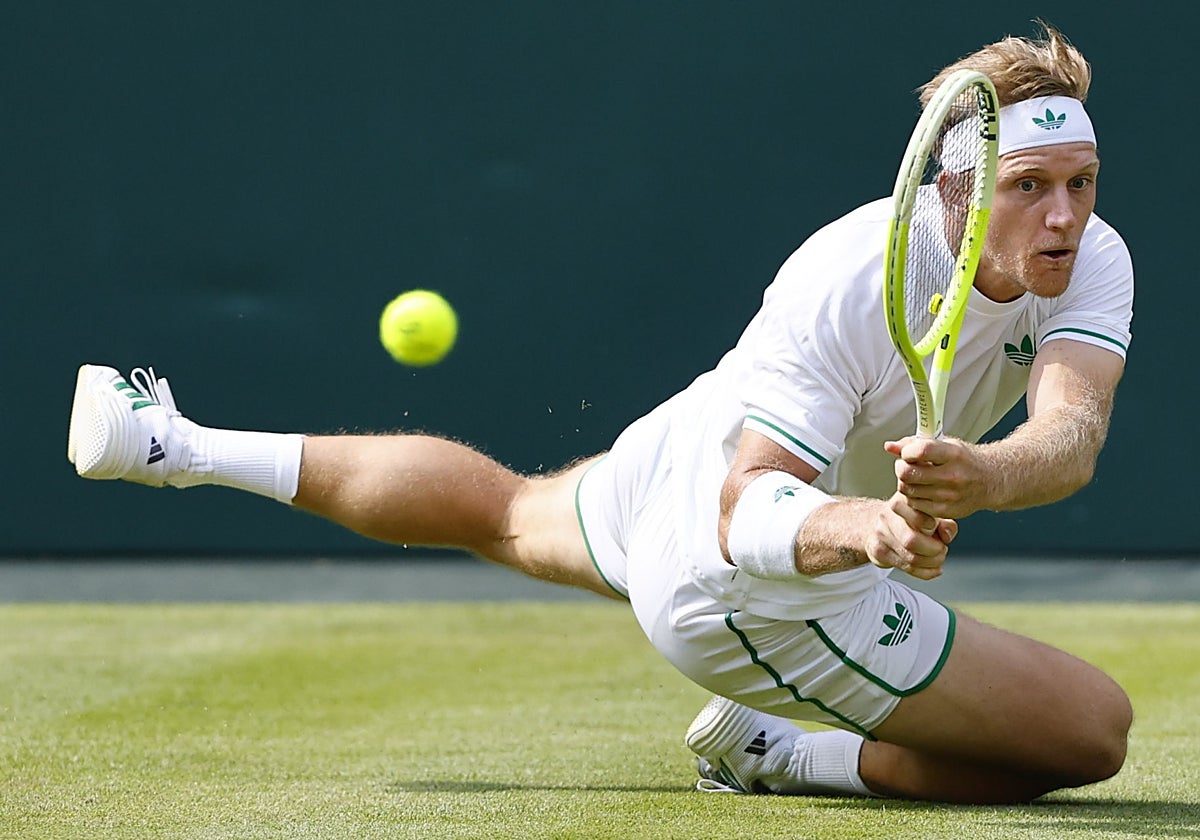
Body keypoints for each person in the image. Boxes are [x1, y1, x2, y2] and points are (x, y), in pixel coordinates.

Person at [67, 23, 1134, 804]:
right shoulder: (846, 285)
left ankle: (172, 441)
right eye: (1029, 185)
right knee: (1093, 732)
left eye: (1082, 183)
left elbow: (1070, 435)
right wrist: (869, 527)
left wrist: (985, 477)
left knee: (501, 510)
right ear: (950, 191)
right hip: (747, 582)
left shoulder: (1093, 255)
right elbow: (745, 513)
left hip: (686, 440)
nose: (1063, 215)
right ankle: (779, 750)